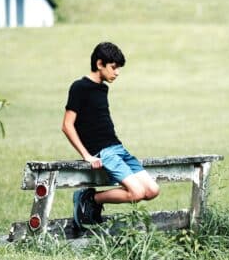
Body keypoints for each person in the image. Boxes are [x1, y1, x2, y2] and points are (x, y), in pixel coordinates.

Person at [62, 42, 159, 230]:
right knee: (137, 193)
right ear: (100, 64)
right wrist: (87, 156)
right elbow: (67, 125)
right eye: (113, 67)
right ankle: (90, 199)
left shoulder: (103, 88)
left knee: (152, 190)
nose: (117, 73)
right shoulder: (79, 87)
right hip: (104, 152)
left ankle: (92, 200)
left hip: (118, 148)